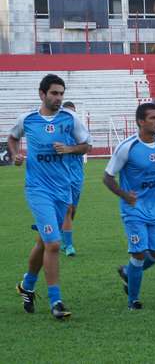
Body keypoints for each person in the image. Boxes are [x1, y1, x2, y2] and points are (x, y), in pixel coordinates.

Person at [10, 74, 92, 319]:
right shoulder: (28, 119)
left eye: (61, 93)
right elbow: (13, 137)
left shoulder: (70, 118)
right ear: (42, 94)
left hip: (62, 189)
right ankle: (56, 301)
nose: (58, 98)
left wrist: (70, 149)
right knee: (54, 243)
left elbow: (86, 145)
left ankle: (27, 284)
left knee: (44, 241)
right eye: (54, 93)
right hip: (38, 189)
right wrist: (15, 155)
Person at [105, 102, 155, 310]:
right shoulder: (127, 147)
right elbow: (107, 177)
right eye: (153, 118)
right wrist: (124, 195)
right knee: (138, 253)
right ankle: (133, 300)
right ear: (140, 121)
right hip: (134, 208)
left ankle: (128, 273)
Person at [61, 101, 88, 257]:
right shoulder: (58, 131)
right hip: (61, 175)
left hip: (77, 175)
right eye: (67, 112)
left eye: (73, 113)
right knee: (68, 208)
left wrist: (71, 149)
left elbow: (87, 147)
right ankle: (68, 245)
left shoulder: (80, 131)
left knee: (73, 210)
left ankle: (61, 232)